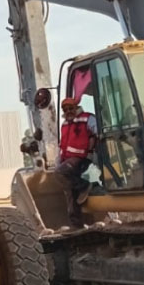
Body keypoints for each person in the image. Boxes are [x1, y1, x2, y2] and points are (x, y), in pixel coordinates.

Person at [55, 96, 98, 225]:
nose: (68, 111)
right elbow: (63, 145)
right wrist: (59, 160)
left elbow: (98, 132)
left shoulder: (87, 119)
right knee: (69, 191)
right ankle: (76, 222)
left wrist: (91, 153)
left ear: (76, 107)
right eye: (65, 109)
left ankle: (83, 186)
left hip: (80, 158)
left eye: (70, 108)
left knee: (60, 173)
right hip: (68, 159)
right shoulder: (65, 125)